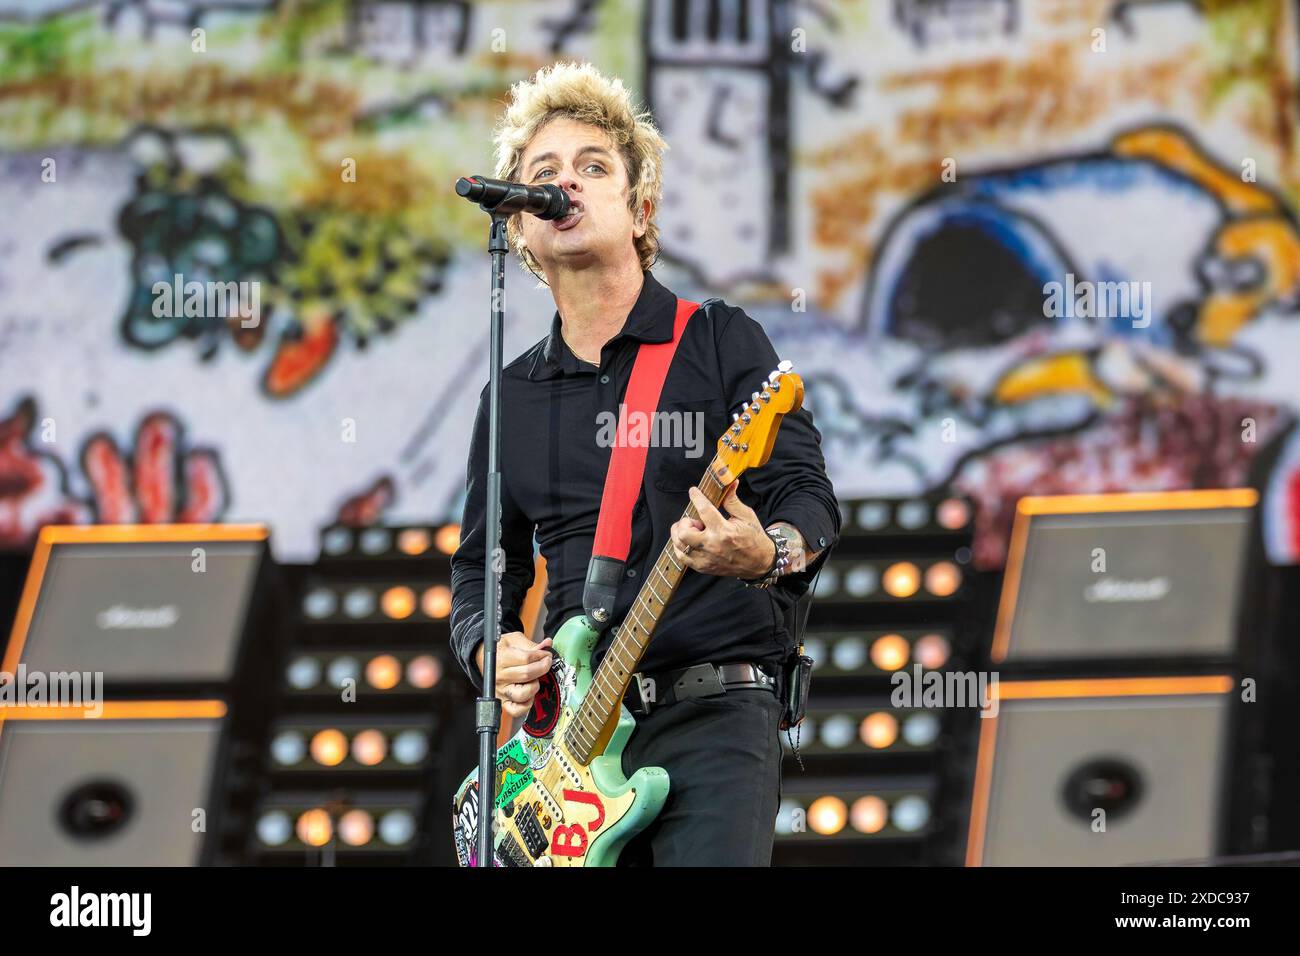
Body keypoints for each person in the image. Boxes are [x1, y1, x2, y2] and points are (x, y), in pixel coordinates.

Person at [450, 61, 839, 866]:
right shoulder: (511, 393)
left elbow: (806, 494)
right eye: (543, 174)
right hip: (568, 749)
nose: (567, 184)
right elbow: (483, 570)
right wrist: (494, 650)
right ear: (521, 225)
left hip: (715, 712)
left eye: (594, 168)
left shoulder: (719, 340)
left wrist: (767, 552)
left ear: (641, 211)